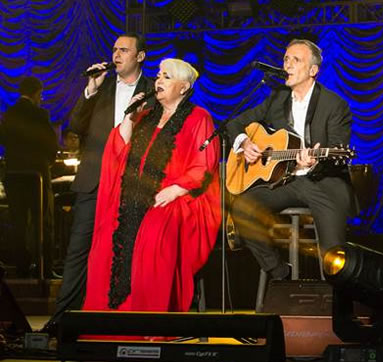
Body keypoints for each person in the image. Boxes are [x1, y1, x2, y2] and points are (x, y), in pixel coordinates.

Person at [81, 58, 220, 312]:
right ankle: (110, 317)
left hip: (181, 197)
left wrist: (176, 189)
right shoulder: (145, 116)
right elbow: (119, 150)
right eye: (158, 75)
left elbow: (204, 165)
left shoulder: (199, 118)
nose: (158, 80)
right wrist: (129, 116)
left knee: (154, 230)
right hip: (136, 194)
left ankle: (148, 318)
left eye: (166, 77)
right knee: (106, 231)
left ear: (184, 87)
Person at [42, 33, 154, 333]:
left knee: (126, 250)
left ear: (139, 56)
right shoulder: (102, 87)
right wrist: (90, 90)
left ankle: (122, 319)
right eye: (115, 50)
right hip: (95, 180)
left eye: (124, 50)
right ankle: (63, 320)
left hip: (132, 183)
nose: (116, 55)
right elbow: (76, 125)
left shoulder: (153, 89)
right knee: (79, 248)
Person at [226, 39, 353, 282]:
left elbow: (338, 153)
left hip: (323, 183)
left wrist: (315, 161)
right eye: (286, 59)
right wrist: (244, 143)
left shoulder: (335, 105)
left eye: (296, 60)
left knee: (333, 256)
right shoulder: (277, 99)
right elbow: (233, 123)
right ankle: (279, 273)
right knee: (242, 208)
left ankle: (336, 303)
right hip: (288, 182)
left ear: (313, 71)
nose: (288, 65)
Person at [0, 76, 58, 277]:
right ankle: (45, 267)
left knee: (18, 222)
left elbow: (4, 139)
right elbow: (50, 142)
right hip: (37, 175)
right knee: (43, 221)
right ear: (36, 93)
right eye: (40, 94)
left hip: (14, 175)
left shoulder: (9, 114)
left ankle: (22, 267)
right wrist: (48, 162)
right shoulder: (40, 114)